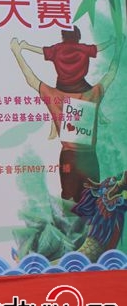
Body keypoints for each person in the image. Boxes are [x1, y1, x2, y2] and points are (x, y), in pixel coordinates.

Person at [10, 35, 122, 202]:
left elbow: (31, 80)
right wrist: (119, 48)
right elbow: (111, 73)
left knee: (68, 202)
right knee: (91, 202)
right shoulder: (92, 94)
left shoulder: (55, 96)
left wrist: (17, 53)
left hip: (68, 158)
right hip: (90, 159)